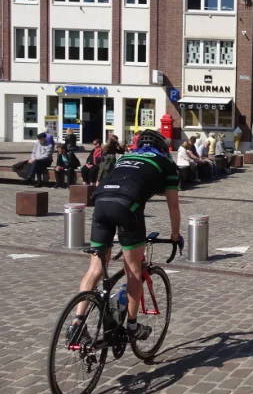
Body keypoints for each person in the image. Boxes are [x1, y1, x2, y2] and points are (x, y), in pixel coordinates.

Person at [71, 129, 181, 343]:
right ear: (162, 148)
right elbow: (173, 206)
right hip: (127, 207)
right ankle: (132, 325)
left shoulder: (125, 158)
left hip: (101, 203)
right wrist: (175, 236)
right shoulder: (166, 164)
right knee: (133, 270)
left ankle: (77, 322)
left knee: (95, 268)